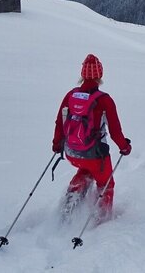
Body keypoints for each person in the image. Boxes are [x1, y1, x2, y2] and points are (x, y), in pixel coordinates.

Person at [52, 54, 131, 222]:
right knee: (106, 183)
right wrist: (124, 147)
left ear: (83, 74)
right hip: (96, 155)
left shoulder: (71, 95)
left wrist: (57, 144)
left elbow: (60, 122)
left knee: (85, 170)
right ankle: (101, 219)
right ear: (99, 74)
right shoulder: (104, 100)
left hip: (72, 152)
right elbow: (115, 131)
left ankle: (68, 208)